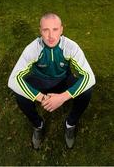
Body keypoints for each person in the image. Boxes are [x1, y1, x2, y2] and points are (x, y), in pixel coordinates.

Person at [8, 13, 96, 149]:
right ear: (40, 31)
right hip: (40, 80)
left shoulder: (70, 46)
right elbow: (13, 80)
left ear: (61, 29)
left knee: (86, 90)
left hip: (63, 80)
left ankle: (70, 123)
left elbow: (90, 77)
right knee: (20, 94)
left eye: (55, 29)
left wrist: (62, 97)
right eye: (45, 30)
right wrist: (42, 98)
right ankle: (38, 125)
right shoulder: (33, 48)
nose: (50, 36)